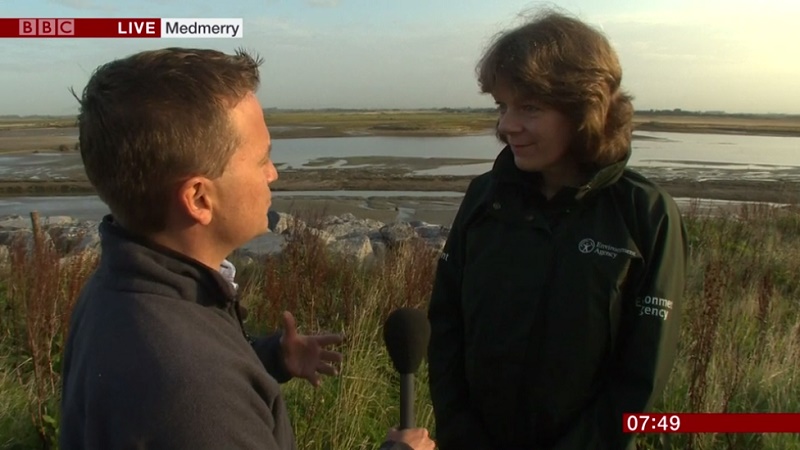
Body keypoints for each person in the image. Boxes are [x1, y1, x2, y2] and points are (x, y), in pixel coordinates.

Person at [59, 47, 435, 450]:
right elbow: (192, 390)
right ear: (199, 199)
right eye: (262, 159)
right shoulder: (197, 393)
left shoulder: (124, 288)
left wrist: (266, 358)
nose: (274, 173)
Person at [427, 10, 688, 450]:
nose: (507, 125)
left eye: (530, 106)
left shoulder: (646, 215)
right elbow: (446, 324)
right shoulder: (485, 198)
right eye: (502, 105)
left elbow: (641, 375)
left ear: (585, 108)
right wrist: (462, 434)